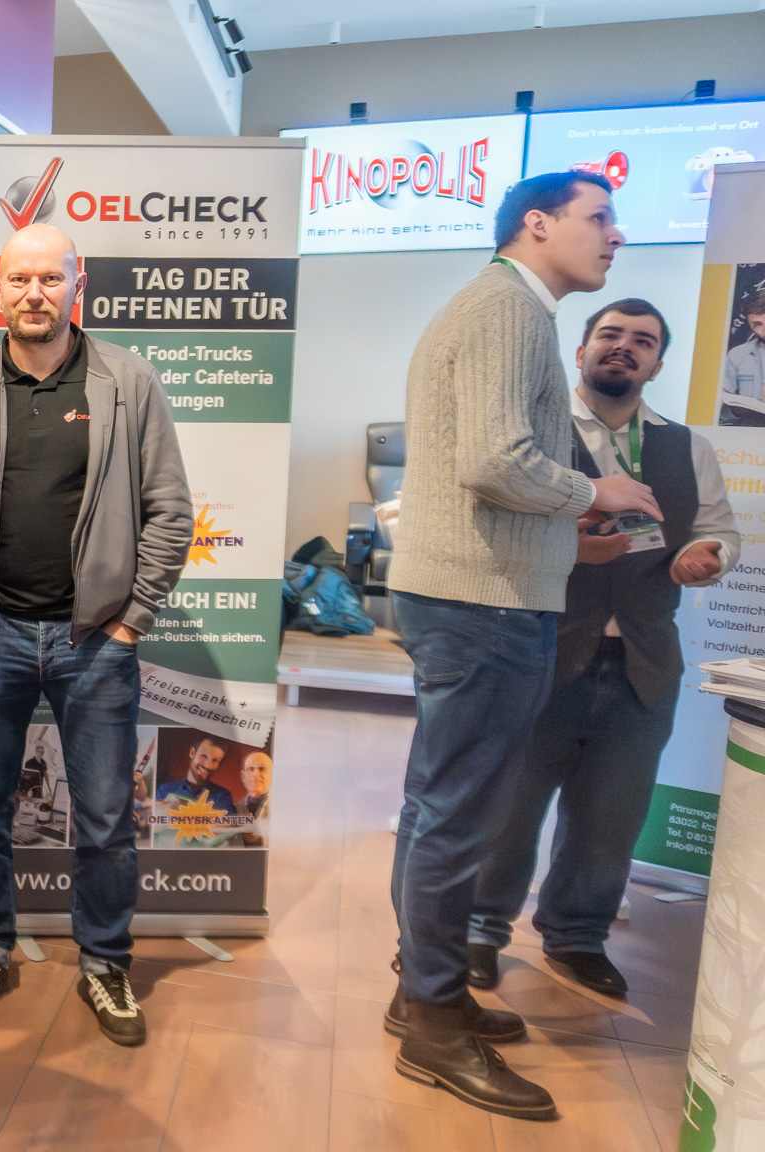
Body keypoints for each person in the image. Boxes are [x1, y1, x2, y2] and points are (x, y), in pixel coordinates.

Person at [382, 170, 655, 1121]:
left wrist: (561, 535)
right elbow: (496, 460)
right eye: (599, 217)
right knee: (457, 817)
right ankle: (432, 1019)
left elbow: (487, 471)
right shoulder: (510, 307)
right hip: (483, 605)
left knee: (438, 810)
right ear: (537, 224)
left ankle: (424, 991)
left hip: (479, 594)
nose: (615, 235)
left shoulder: (505, 306)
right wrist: (594, 491)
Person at [0, 223, 192, 1046]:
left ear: (78, 284)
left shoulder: (128, 381)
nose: (34, 293)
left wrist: (134, 618)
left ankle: (105, 963)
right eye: (18, 279)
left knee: (103, 817)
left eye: (50, 278)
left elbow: (170, 510)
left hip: (95, 640)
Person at [470, 299, 737, 998]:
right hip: (541, 652)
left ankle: (578, 936)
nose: (624, 346)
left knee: (611, 817)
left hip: (643, 664)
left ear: (657, 363)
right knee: (510, 807)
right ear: (581, 350)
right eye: (610, 334)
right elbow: (493, 532)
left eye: (642, 340)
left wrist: (710, 554)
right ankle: (480, 931)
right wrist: (566, 549)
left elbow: (718, 530)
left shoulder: (687, 448)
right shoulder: (532, 438)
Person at [717, 290, 765, 426]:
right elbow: (721, 407)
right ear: (750, 325)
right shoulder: (737, 355)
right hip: (746, 432)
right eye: (758, 324)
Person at [155, 736, 235, 810]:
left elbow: (229, 819)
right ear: (192, 753)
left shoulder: (222, 796)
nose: (208, 766)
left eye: (215, 760)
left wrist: (179, 805)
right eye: (204, 756)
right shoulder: (165, 789)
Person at [233, 751, 271, 848]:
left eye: (262, 769)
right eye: (250, 769)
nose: (255, 774)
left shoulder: (286, 809)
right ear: (243, 776)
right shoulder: (233, 810)